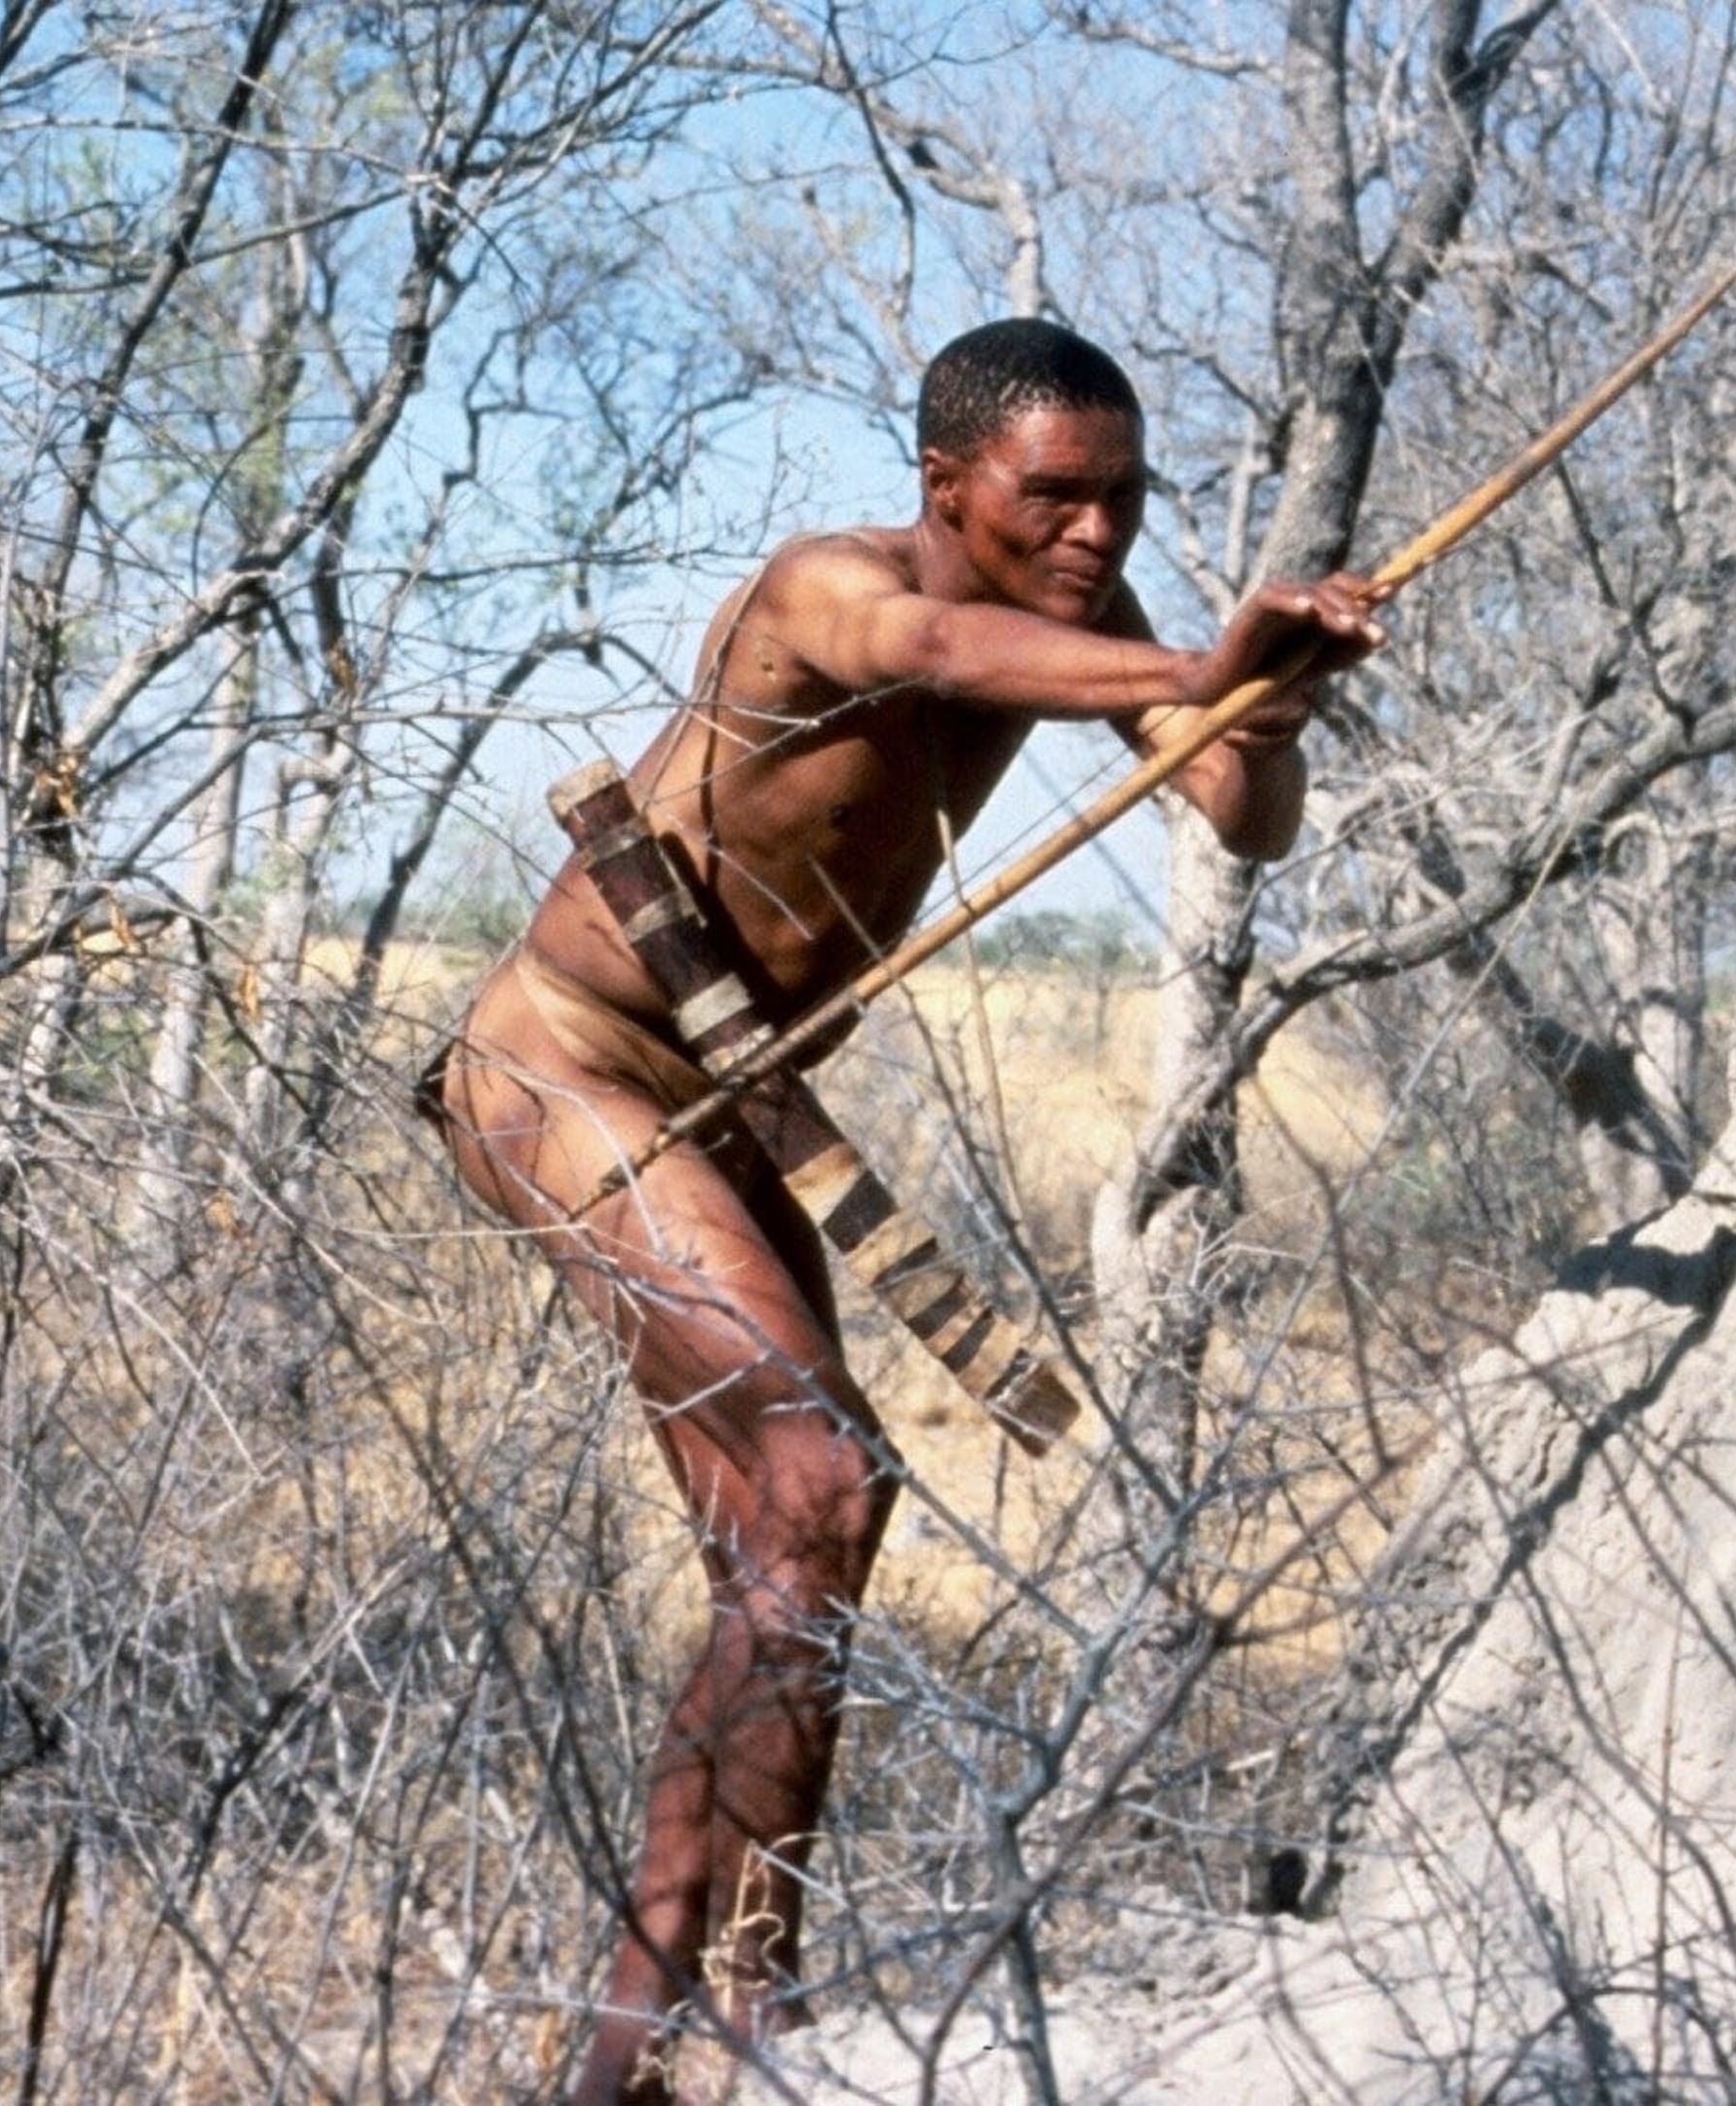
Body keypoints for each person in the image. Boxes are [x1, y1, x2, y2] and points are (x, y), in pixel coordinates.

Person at [424, 318, 1379, 2103]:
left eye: (1123, 501)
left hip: (734, 1106)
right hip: (570, 1069)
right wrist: (1202, 654)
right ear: (947, 485)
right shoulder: (832, 589)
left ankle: (728, 2001)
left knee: (806, 1540)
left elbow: (1244, 816)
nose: (1094, 536)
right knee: (819, 1483)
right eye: (1054, 500)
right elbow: (932, 645)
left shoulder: (1089, 631)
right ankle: (660, 2027)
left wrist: (1266, 696)